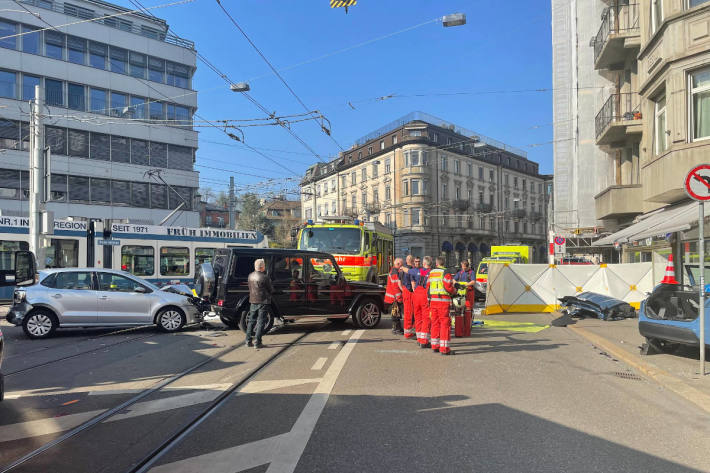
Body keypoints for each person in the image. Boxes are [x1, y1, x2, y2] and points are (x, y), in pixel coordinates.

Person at [427, 256, 457, 355]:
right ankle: (444, 349)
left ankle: (435, 346)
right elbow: (448, 287)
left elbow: (428, 287)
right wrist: (455, 291)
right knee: (445, 324)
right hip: (443, 301)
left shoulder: (431, 273)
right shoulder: (445, 272)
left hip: (433, 301)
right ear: (444, 263)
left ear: (436, 263)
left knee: (435, 323)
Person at [246, 258, 273, 349]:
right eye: (264, 265)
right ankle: (257, 342)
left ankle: (248, 341)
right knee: (261, 321)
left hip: (252, 300)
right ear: (262, 267)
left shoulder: (250, 276)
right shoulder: (265, 277)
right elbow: (271, 289)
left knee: (251, 321)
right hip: (263, 301)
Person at [413, 256, 432, 348]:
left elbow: (408, 271)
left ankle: (419, 339)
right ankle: (424, 341)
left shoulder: (417, 271)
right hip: (424, 295)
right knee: (426, 318)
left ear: (424, 263)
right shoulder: (431, 273)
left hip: (416, 294)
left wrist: (403, 268)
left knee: (417, 317)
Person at [384, 257, 404, 335]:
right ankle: (397, 329)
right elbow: (396, 287)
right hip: (394, 298)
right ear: (398, 264)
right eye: (401, 265)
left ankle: (396, 328)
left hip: (392, 297)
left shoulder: (393, 271)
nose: (402, 267)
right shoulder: (395, 273)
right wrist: (399, 298)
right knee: (396, 314)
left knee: (395, 313)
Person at [454, 260, 476, 326]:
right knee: (459, 308)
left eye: (464, 268)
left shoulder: (471, 273)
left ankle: (468, 323)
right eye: (462, 267)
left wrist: (466, 285)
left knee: (468, 308)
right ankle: (460, 322)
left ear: (467, 267)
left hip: (469, 292)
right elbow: (454, 279)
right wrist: (456, 284)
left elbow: (473, 281)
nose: (463, 269)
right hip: (461, 293)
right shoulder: (460, 273)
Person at [400, 255, 416, 339]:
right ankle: (408, 333)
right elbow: (412, 283)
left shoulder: (402, 269)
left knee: (407, 313)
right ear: (412, 261)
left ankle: (407, 331)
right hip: (409, 292)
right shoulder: (410, 270)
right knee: (409, 313)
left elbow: (400, 281)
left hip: (404, 291)